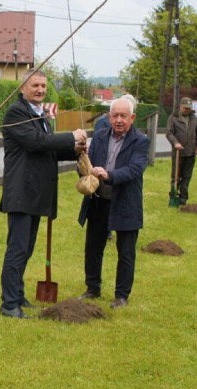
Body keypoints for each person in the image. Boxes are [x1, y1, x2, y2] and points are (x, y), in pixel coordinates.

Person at [0, 69, 86, 318]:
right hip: (21, 193)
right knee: (17, 249)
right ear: (22, 89)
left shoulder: (40, 115)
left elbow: (48, 149)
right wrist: (71, 135)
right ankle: (8, 305)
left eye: (44, 86)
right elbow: (35, 142)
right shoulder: (16, 113)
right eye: (35, 85)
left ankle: (17, 296)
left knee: (26, 249)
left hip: (35, 194)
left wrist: (75, 149)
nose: (40, 90)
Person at [77, 97, 150, 309]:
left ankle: (121, 296)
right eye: (115, 116)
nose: (119, 120)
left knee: (125, 252)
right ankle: (92, 289)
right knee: (93, 248)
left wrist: (108, 174)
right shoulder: (99, 137)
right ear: (109, 117)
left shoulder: (141, 141)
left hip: (125, 202)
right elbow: (86, 164)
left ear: (132, 118)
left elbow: (135, 169)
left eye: (123, 116)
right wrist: (83, 164)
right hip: (98, 201)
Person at [166, 97, 197, 205]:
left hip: (191, 153)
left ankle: (183, 198)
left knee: (187, 177)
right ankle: (173, 195)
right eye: (185, 108)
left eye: (189, 108)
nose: (187, 110)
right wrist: (175, 142)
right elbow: (169, 133)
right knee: (176, 176)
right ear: (180, 106)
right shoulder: (173, 118)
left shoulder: (194, 118)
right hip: (178, 153)